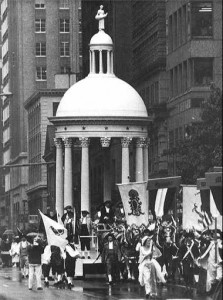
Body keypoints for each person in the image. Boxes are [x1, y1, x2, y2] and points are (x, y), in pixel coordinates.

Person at [138, 234, 166, 299]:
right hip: (144, 264)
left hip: (152, 263)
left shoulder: (151, 248)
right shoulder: (141, 248)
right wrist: (145, 257)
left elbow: (155, 254)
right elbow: (140, 258)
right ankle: (147, 291)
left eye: (149, 241)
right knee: (147, 278)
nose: (149, 242)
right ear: (144, 241)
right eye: (147, 241)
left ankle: (153, 292)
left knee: (153, 278)